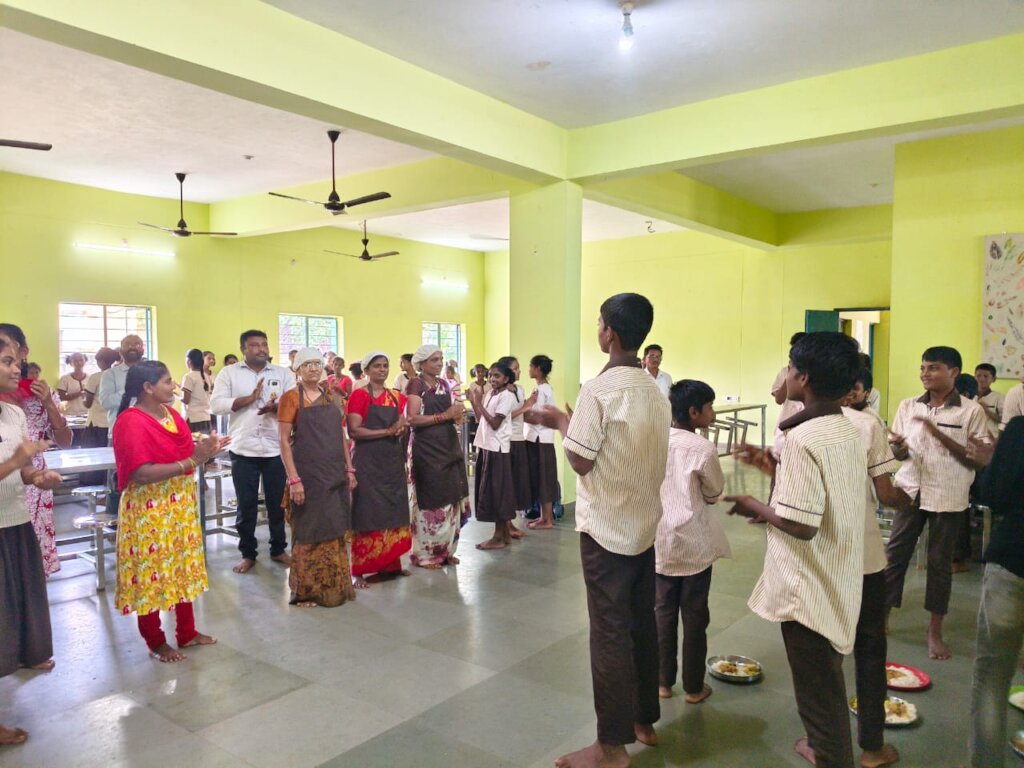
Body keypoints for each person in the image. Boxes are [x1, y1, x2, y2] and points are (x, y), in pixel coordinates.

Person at [531, 293, 670, 768]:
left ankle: (611, 746)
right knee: (641, 621)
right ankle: (643, 720)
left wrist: (560, 422)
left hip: (607, 528)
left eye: (598, 322)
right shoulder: (654, 389)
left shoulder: (599, 390)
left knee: (609, 633)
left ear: (608, 332)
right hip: (644, 525)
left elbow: (581, 458)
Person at [728, 332, 866, 768]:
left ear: (803, 378)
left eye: (790, 368)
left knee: (820, 701)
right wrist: (772, 469)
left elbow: (802, 525)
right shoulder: (842, 427)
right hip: (837, 574)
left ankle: (830, 755)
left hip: (810, 587)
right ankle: (825, 748)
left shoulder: (805, 437)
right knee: (825, 686)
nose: (785, 375)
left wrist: (753, 504)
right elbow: (818, 496)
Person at [112, 361, 228, 662]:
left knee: (181, 565)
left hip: (179, 505)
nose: (173, 385)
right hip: (148, 510)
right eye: (166, 381)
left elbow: (188, 448)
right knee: (152, 571)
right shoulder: (130, 421)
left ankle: (186, 632)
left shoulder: (172, 414)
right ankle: (155, 640)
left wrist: (210, 448)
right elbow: (141, 473)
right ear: (148, 387)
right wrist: (193, 462)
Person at [885, 346, 989, 660]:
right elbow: (898, 454)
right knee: (895, 556)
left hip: (948, 493)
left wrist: (941, 436)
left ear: (954, 372)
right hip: (910, 489)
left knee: (940, 564)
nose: (925, 374)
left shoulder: (971, 411)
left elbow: (979, 461)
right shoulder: (907, 406)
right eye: (923, 368)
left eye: (933, 368)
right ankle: (882, 618)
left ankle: (934, 631)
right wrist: (899, 448)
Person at [0, 335, 61, 747]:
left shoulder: (12, 413)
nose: (16, 367)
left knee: (13, 616)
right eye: (6, 361)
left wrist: (36, 476)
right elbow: (13, 463)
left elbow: (20, 475)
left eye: (15, 359)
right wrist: (19, 460)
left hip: (15, 522)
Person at [655, 379, 728, 705]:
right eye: (709, 407)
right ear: (694, 412)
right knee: (695, 616)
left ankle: (663, 682)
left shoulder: (654, 440)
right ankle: (695, 686)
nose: (712, 412)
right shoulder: (702, 449)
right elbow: (713, 492)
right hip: (694, 543)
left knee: (662, 613)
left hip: (659, 540)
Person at [210, 330, 295, 574]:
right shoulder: (229, 373)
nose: (261, 349)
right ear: (243, 350)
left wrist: (276, 407)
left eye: (264, 344)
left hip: (274, 448)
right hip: (243, 448)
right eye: (254, 345)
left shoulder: (282, 373)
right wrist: (248, 399)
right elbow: (216, 405)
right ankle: (248, 554)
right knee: (246, 505)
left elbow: (293, 403)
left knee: (277, 504)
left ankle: (278, 549)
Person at [277, 348, 357, 607]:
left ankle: (335, 588)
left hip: (334, 474)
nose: (313, 368)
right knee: (309, 530)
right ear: (297, 370)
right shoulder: (290, 398)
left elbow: (341, 437)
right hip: (307, 476)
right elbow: (284, 442)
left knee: (334, 528)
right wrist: (294, 480)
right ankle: (306, 592)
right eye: (306, 364)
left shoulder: (333, 397)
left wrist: (349, 469)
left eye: (316, 364)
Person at [968, 416, 1024, 768]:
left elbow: (992, 495)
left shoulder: (1019, 431)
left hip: (1014, 559)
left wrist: (992, 461)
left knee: (992, 677)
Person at [0, 324, 73, 577]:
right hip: (8, 482)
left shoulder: (35, 395)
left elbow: (65, 441)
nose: (12, 365)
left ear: (23, 352)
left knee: (28, 566)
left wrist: (48, 403)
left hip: (32, 478)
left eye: (12, 354)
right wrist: (16, 461)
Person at [346, 352, 411, 587]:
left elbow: (402, 423)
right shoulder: (359, 396)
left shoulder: (395, 397)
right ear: (366, 370)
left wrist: (400, 429)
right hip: (367, 462)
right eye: (376, 366)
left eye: (385, 366)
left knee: (393, 510)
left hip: (392, 462)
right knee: (367, 512)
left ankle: (391, 564)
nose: (382, 370)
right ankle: (359, 571)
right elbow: (354, 431)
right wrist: (387, 432)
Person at [406, 344, 471, 568]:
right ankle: (425, 554)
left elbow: (451, 413)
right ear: (421, 363)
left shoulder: (444, 383)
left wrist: (456, 416)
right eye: (434, 360)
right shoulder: (416, 384)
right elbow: (412, 418)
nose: (439, 363)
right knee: (431, 499)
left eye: (441, 359)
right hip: (427, 448)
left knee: (452, 498)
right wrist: (444, 416)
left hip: (447, 445)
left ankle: (446, 551)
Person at [467, 361, 518, 550]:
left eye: (497, 376)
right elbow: (482, 419)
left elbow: (495, 423)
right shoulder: (490, 393)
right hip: (486, 445)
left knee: (498, 492)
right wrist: (475, 402)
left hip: (498, 448)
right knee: (491, 489)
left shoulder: (507, 396)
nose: (492, 379)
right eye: (491, 376)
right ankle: (504, 535)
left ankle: (498, 536)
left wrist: (479, 403)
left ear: (506, 378)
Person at [498, 356, 534, 538]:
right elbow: (502, 416)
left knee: (517, 482)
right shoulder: (500, 392)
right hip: (507, 439)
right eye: (516, 368)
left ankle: (510, 523)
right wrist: (526, 407)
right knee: (507, 482)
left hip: (519, 438)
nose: (519, 371)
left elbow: (523, 413)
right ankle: (506, 524)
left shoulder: (520, 389)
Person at [525, 355, 558, 530]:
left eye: (531, 366)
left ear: (537, 368)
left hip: (541, 440)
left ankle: (547, 519)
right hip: (538, 439)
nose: (529, 369)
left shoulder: (543, 390)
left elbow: (540, 416)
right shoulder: (541, 388)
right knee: (540, 477)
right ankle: (543, 517)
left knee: (545, 478)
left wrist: (520, 414)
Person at [182, 348, 214, 434]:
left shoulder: (188, 376)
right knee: (206, 445)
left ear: (188, 361)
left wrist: (175, 395)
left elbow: (186, 400)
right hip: (206, 418)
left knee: (193, 445)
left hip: (193, 419)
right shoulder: (206, 376)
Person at [973, 363, 1004, 437]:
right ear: (974, 377)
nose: (981, 379)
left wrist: (986, 410)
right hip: (971, 437)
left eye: (986, 376)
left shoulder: (999, 397)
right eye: (978, 376)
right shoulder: (969, 396)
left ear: (994, 379)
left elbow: (1004, 420)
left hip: (990, 438)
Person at [57, 352, 90, 421]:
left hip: (88, 413)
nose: (79, 363)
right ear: (70, 363)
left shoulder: (90, 378)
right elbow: (61, 397)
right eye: (75, 361)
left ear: (85, 361)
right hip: (71, 415)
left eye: (81, 360)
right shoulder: (65, 378)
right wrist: (79, 393)